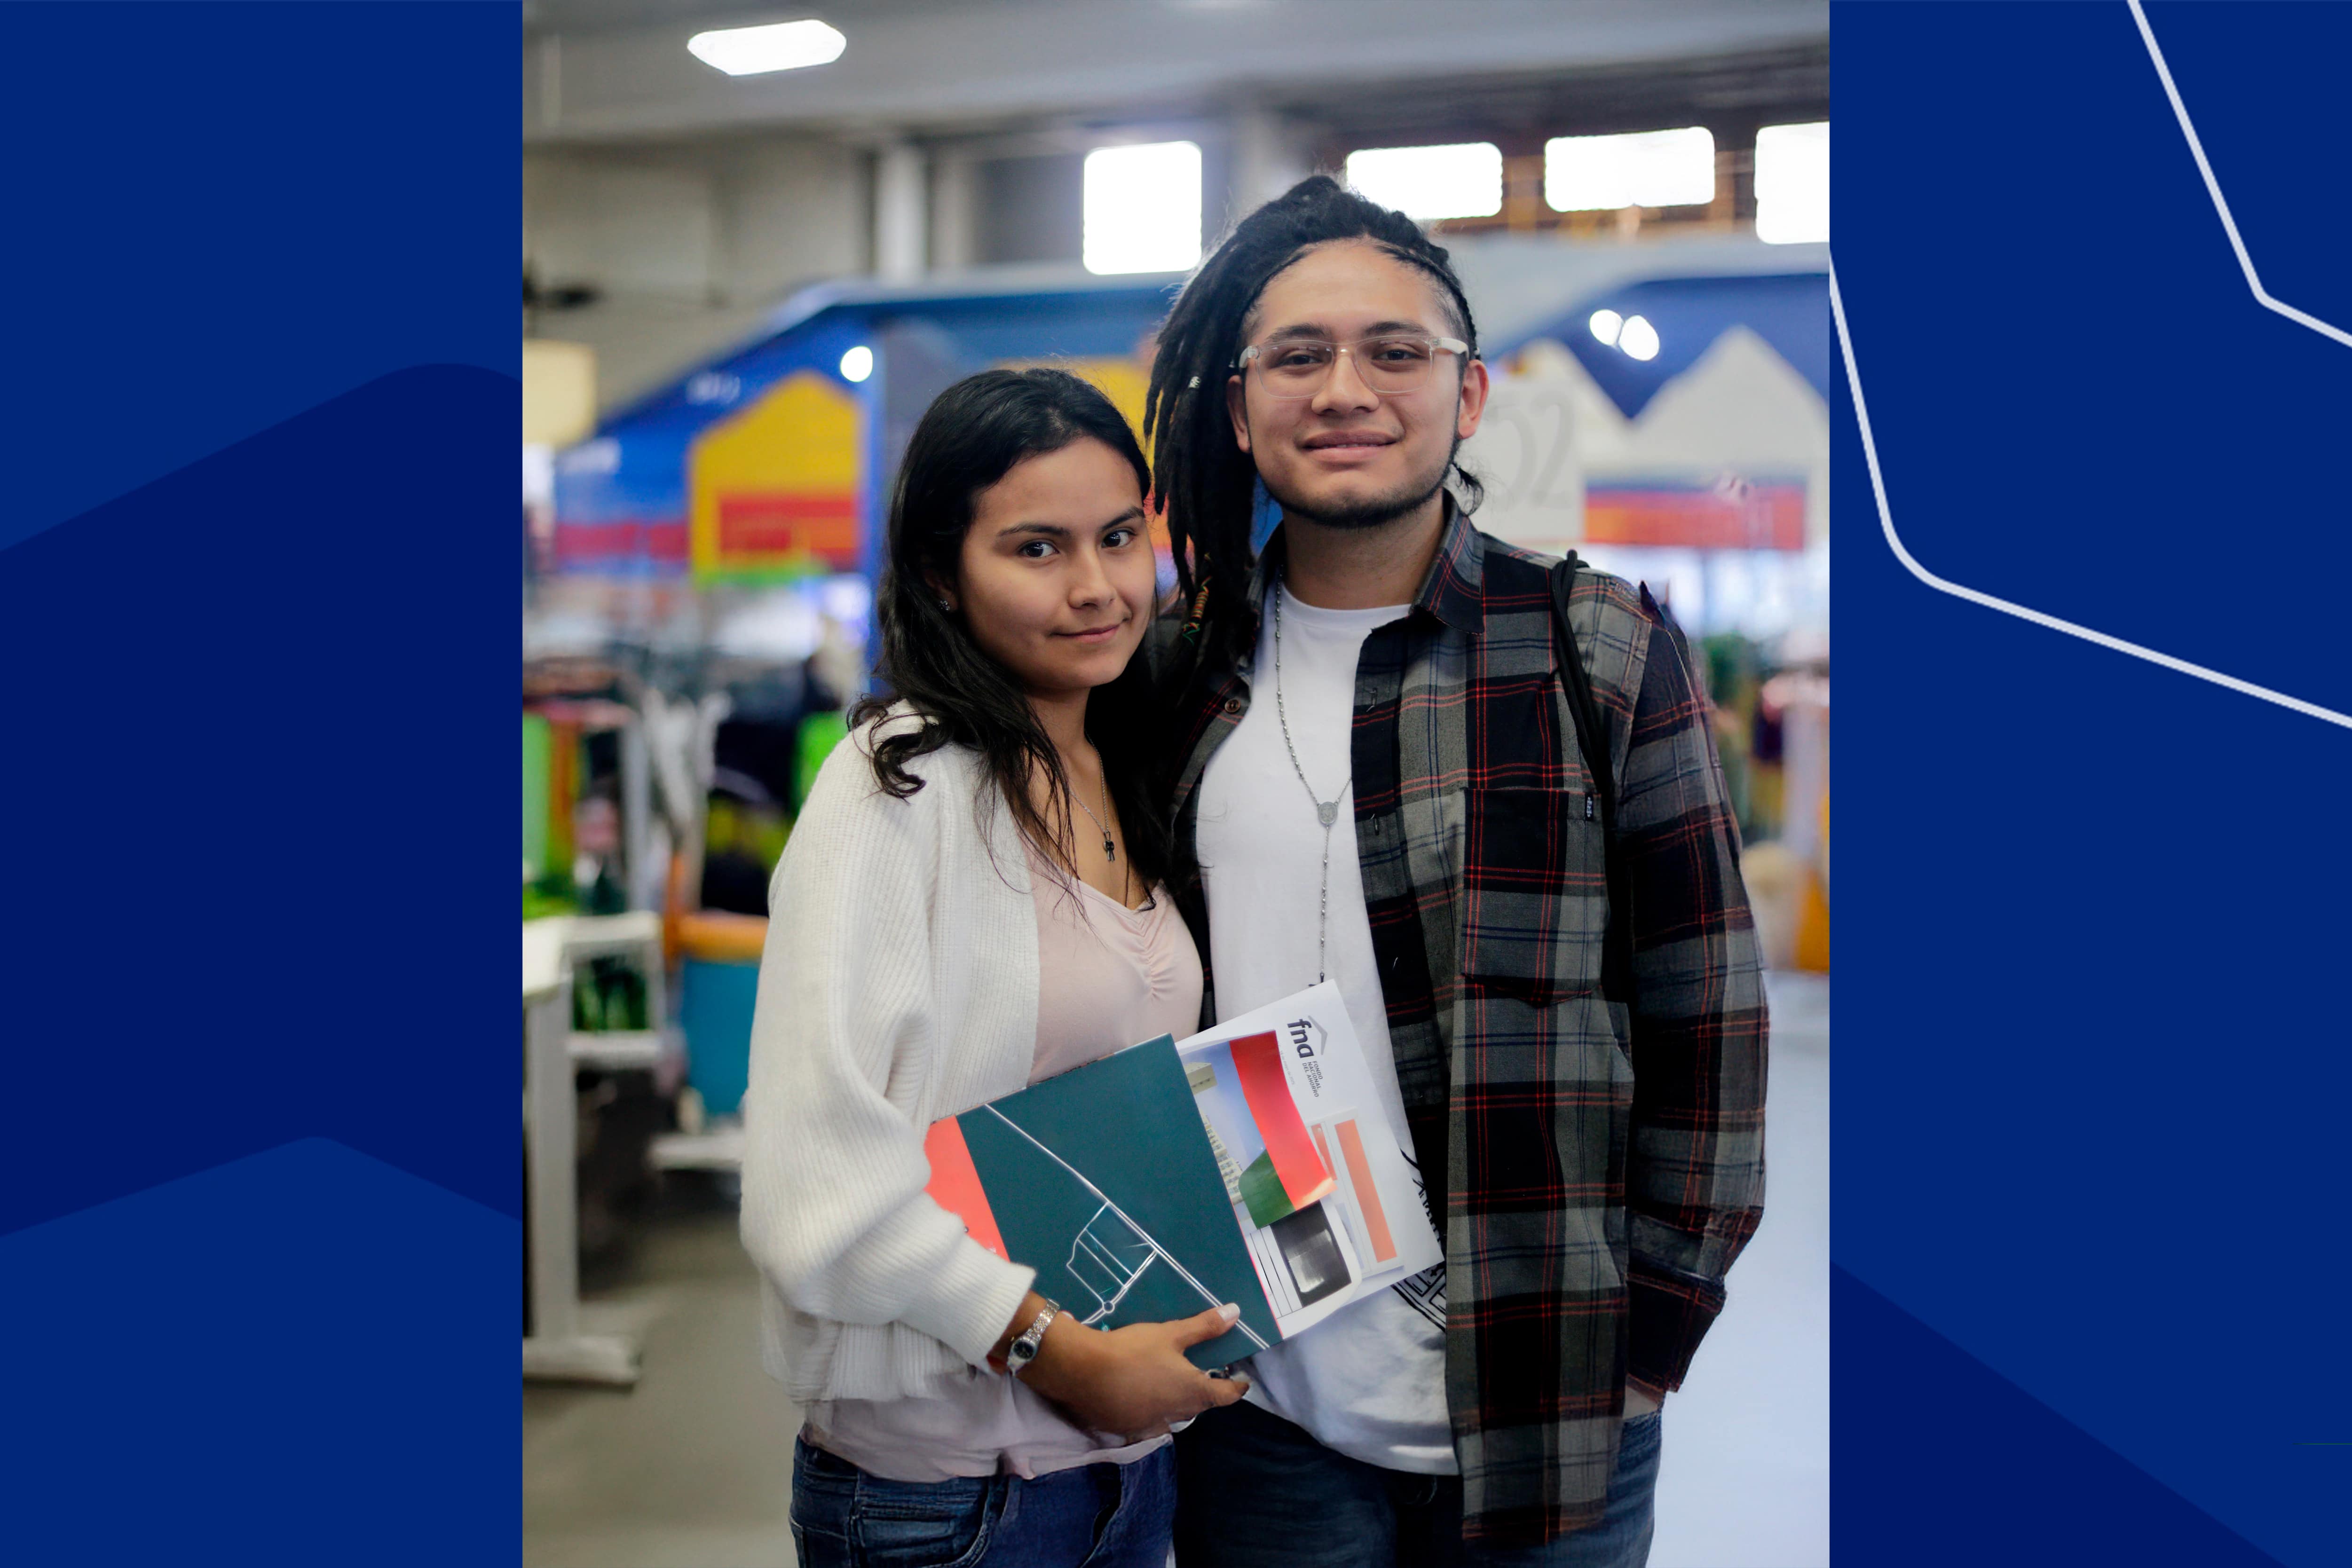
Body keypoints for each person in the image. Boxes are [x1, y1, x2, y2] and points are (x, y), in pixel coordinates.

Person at [1143, 178, 1769, 1565]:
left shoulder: (1594, 645)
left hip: (1552, 1388)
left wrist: (1657, 1332)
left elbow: (1709, 1010)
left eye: (1394, 351)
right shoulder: (1173, 679)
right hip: (1262, 1403)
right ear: (1241, 408)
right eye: (1297, 357)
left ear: (1469, 394)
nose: (1344, 389)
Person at [739, 368, 1250, 1568]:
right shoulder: (896, 790)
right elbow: (814, 1192)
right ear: (938, 574)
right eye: (1036, 548)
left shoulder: (1121, 760)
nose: (1097, 587)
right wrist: (1060, 1356)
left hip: (1130, 1475)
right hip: (952, 1500)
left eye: (1120, 537)